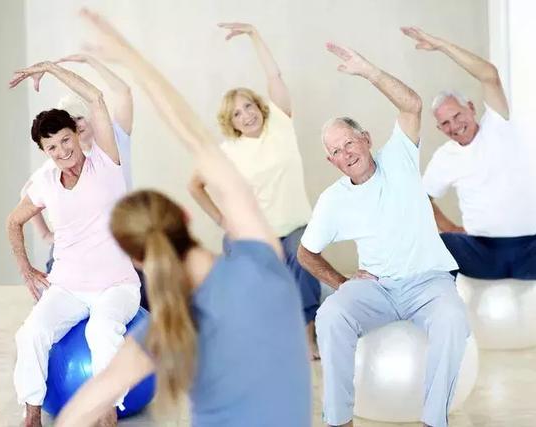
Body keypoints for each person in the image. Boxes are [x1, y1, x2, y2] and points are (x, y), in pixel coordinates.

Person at [54, 9, 311, 427]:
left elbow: (77, 413)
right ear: (186, 216)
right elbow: (196, 138)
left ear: (137, 260)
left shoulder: (165, 331)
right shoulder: (265, 262)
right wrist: (133, 60)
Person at [296, 42, 469, 427]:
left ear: (366, 139)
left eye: (349, 143)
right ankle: (339, 420)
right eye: (336, 151)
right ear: (331, 160)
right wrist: (341, 283)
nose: (346, 154)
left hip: (429, 282)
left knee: (453, 318)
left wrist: (369, 71)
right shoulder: (333, 200)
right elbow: (306, 253)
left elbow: (412, 105)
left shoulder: (400, 156)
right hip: (377, 288)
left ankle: (433, 421)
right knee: (331, 315)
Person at [401, 26, 536, 372]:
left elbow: (488, 74)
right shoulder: (445, 158)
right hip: (482, 252)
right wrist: (450, 228)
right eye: (445, 124)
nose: (454, 126)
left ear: (472, 108)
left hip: (531, 247)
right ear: (440, 129)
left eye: (457, 115)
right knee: (438, 245)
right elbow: (420, 197)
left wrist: (441, 44)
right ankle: (440, 338)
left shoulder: (500, 125)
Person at [7, 61, 141, 427]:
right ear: (44, 151)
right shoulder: (45, 181)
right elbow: (13, 221)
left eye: (65, 140)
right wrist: (26, 269)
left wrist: (51, 68)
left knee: (101, 331)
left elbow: (96, 98)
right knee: (30, 333)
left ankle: (107, 414)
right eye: (51, 147)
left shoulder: (107, 163)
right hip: (68, 287)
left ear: (76, 135)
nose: (61, 151)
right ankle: (32, 414)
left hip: (116, 285)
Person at [187, 22, 321, 359]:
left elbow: (274, 76)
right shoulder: (228, 151)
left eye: (248, 106)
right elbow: (195, 186)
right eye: (237, 113)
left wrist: (253, 34)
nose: (246, 115)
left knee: (304, 254)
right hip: (254, 233)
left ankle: (306, 336)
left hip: (295, 226)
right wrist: (222, 219)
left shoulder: (281, 124)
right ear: (230, 122)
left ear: (259, 106)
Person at [19, 54, 150, 309]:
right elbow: (26, 193)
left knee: (139, 298)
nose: (76, 124)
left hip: (118, 242)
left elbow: (123, 92)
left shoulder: (114, 142)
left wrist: (91, 61)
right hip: (77, 249)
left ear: (89, 116)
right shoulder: (62, 159)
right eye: (71, 121)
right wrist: (46, 235)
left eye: (79, 117)